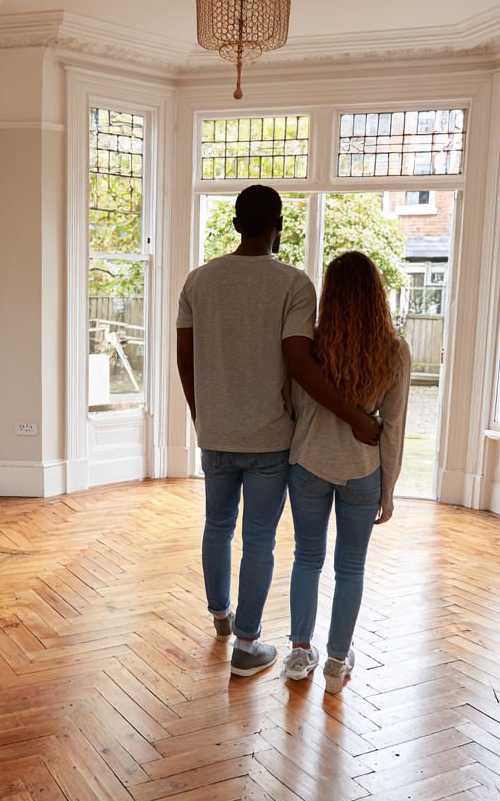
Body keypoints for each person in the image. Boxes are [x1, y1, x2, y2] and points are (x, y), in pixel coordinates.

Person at [176, 186, 381, 677]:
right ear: (279, 226)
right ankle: (247, 646)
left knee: (216, 527)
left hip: (216, 433)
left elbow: (185, 360)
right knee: (259, 540)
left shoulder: (198, 281)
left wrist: (201, 417)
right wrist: (355, 416)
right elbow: (299, 361)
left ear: (235, 224)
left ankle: (221, 616)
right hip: (270, 439)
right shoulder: (294, 282)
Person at [280, 251, 410, 694]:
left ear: (330, 293)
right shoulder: (394, 349)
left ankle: (300, 653)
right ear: (378, 295)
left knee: (306, 558)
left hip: (309, 464)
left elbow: (295, 408)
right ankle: (337, 662)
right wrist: (387, 490)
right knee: (350, 567)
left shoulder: (308, 345)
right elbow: (392, 426)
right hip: (362, 471)